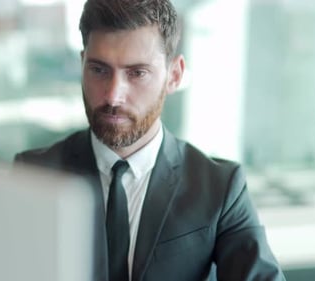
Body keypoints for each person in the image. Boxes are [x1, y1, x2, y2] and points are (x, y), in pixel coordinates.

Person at [14, 0, 286, 280]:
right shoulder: (33, 174)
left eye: (137, 73)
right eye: (99, 70)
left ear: (174, 75)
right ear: (82, 64)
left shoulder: (219, 188)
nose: (113, 96)